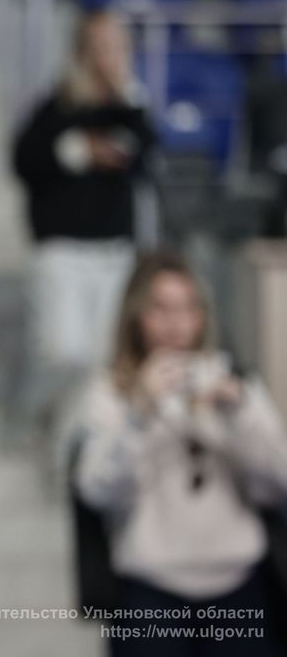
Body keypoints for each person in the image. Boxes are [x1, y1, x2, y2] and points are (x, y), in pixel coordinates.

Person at [71, 252, 287, 656]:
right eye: (162, 309)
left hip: (239, 584)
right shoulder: (112, 391)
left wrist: (241, 412)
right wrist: (141, 414)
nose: (176, 324)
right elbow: (97, 492)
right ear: (136, 315)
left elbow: (278, 483)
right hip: (151, 590)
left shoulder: (234, 380)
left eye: (188, 308)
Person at [10, 10, 157, 443]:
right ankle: (43, 422)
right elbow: (24, 160)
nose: (107, 55)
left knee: (104, 358)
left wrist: (126, 98)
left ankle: (81, 446)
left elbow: (148, 157)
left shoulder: (129, 107)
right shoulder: (59, 106)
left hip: (112, 251)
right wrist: (76, 150)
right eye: (99, 45)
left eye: (115, 45)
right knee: (63, 351)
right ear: (82, 50)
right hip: (63, 250)